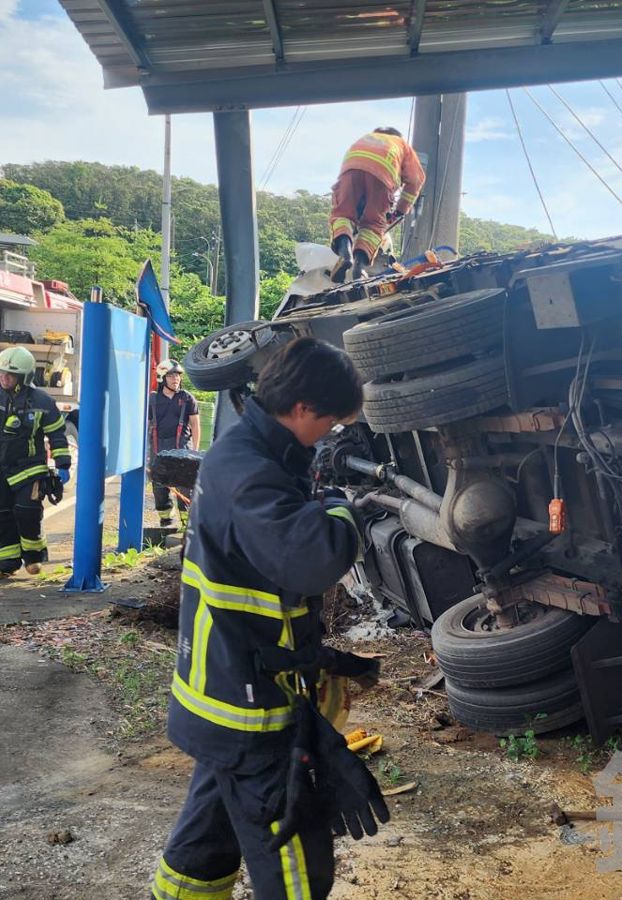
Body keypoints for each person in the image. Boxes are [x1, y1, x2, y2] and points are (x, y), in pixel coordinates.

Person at [150, 337, 388, 900]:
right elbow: (313, 559)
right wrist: (340, 508)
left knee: (207, 837)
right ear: (302, 408)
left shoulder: (247, 451)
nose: (328, 433)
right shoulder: (251, 473)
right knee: (295, 854)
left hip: (221, 690)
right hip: (248, 706)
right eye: (328, 422)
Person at [0, 346, 71, 580]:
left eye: (10, 374)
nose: (4, 377)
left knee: (27, 512)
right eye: (0, 373)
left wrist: (63, 464)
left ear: (25, 376)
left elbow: (57, 434)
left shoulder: (42, 401)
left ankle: (33, 556)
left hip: (28, 469)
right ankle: (6, 563)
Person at [329, 127, 425, 283]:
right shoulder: (402, 145)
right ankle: (358, 269)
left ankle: (345, 254)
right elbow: (416, 180)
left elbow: (359, 168)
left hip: (350, 169)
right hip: (382, 176)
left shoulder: (367, 137)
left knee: (343, 215)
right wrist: (400, 210)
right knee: (373, 225)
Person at [150, 360, 200, 531]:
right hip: (159, 450)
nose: (175, 379)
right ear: (163, 378)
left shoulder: (187, 398)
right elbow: (146, 424)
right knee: (160, 491)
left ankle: (187, 527)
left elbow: (195, 425)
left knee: (185, 491)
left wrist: (194, 451)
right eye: (171, 376)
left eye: (177, 375)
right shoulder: (153, 399)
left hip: (183, 451)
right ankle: (166, 524)